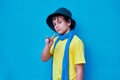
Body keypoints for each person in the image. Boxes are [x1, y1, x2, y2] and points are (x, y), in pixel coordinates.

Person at [41, 7, 86, 80]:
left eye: (60, 22)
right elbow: (44, 59)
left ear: (68, 22)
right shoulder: (55, 41)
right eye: (54, 24)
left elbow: (80, 69)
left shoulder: (76, 41)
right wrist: (47, 46)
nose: (57, 26)